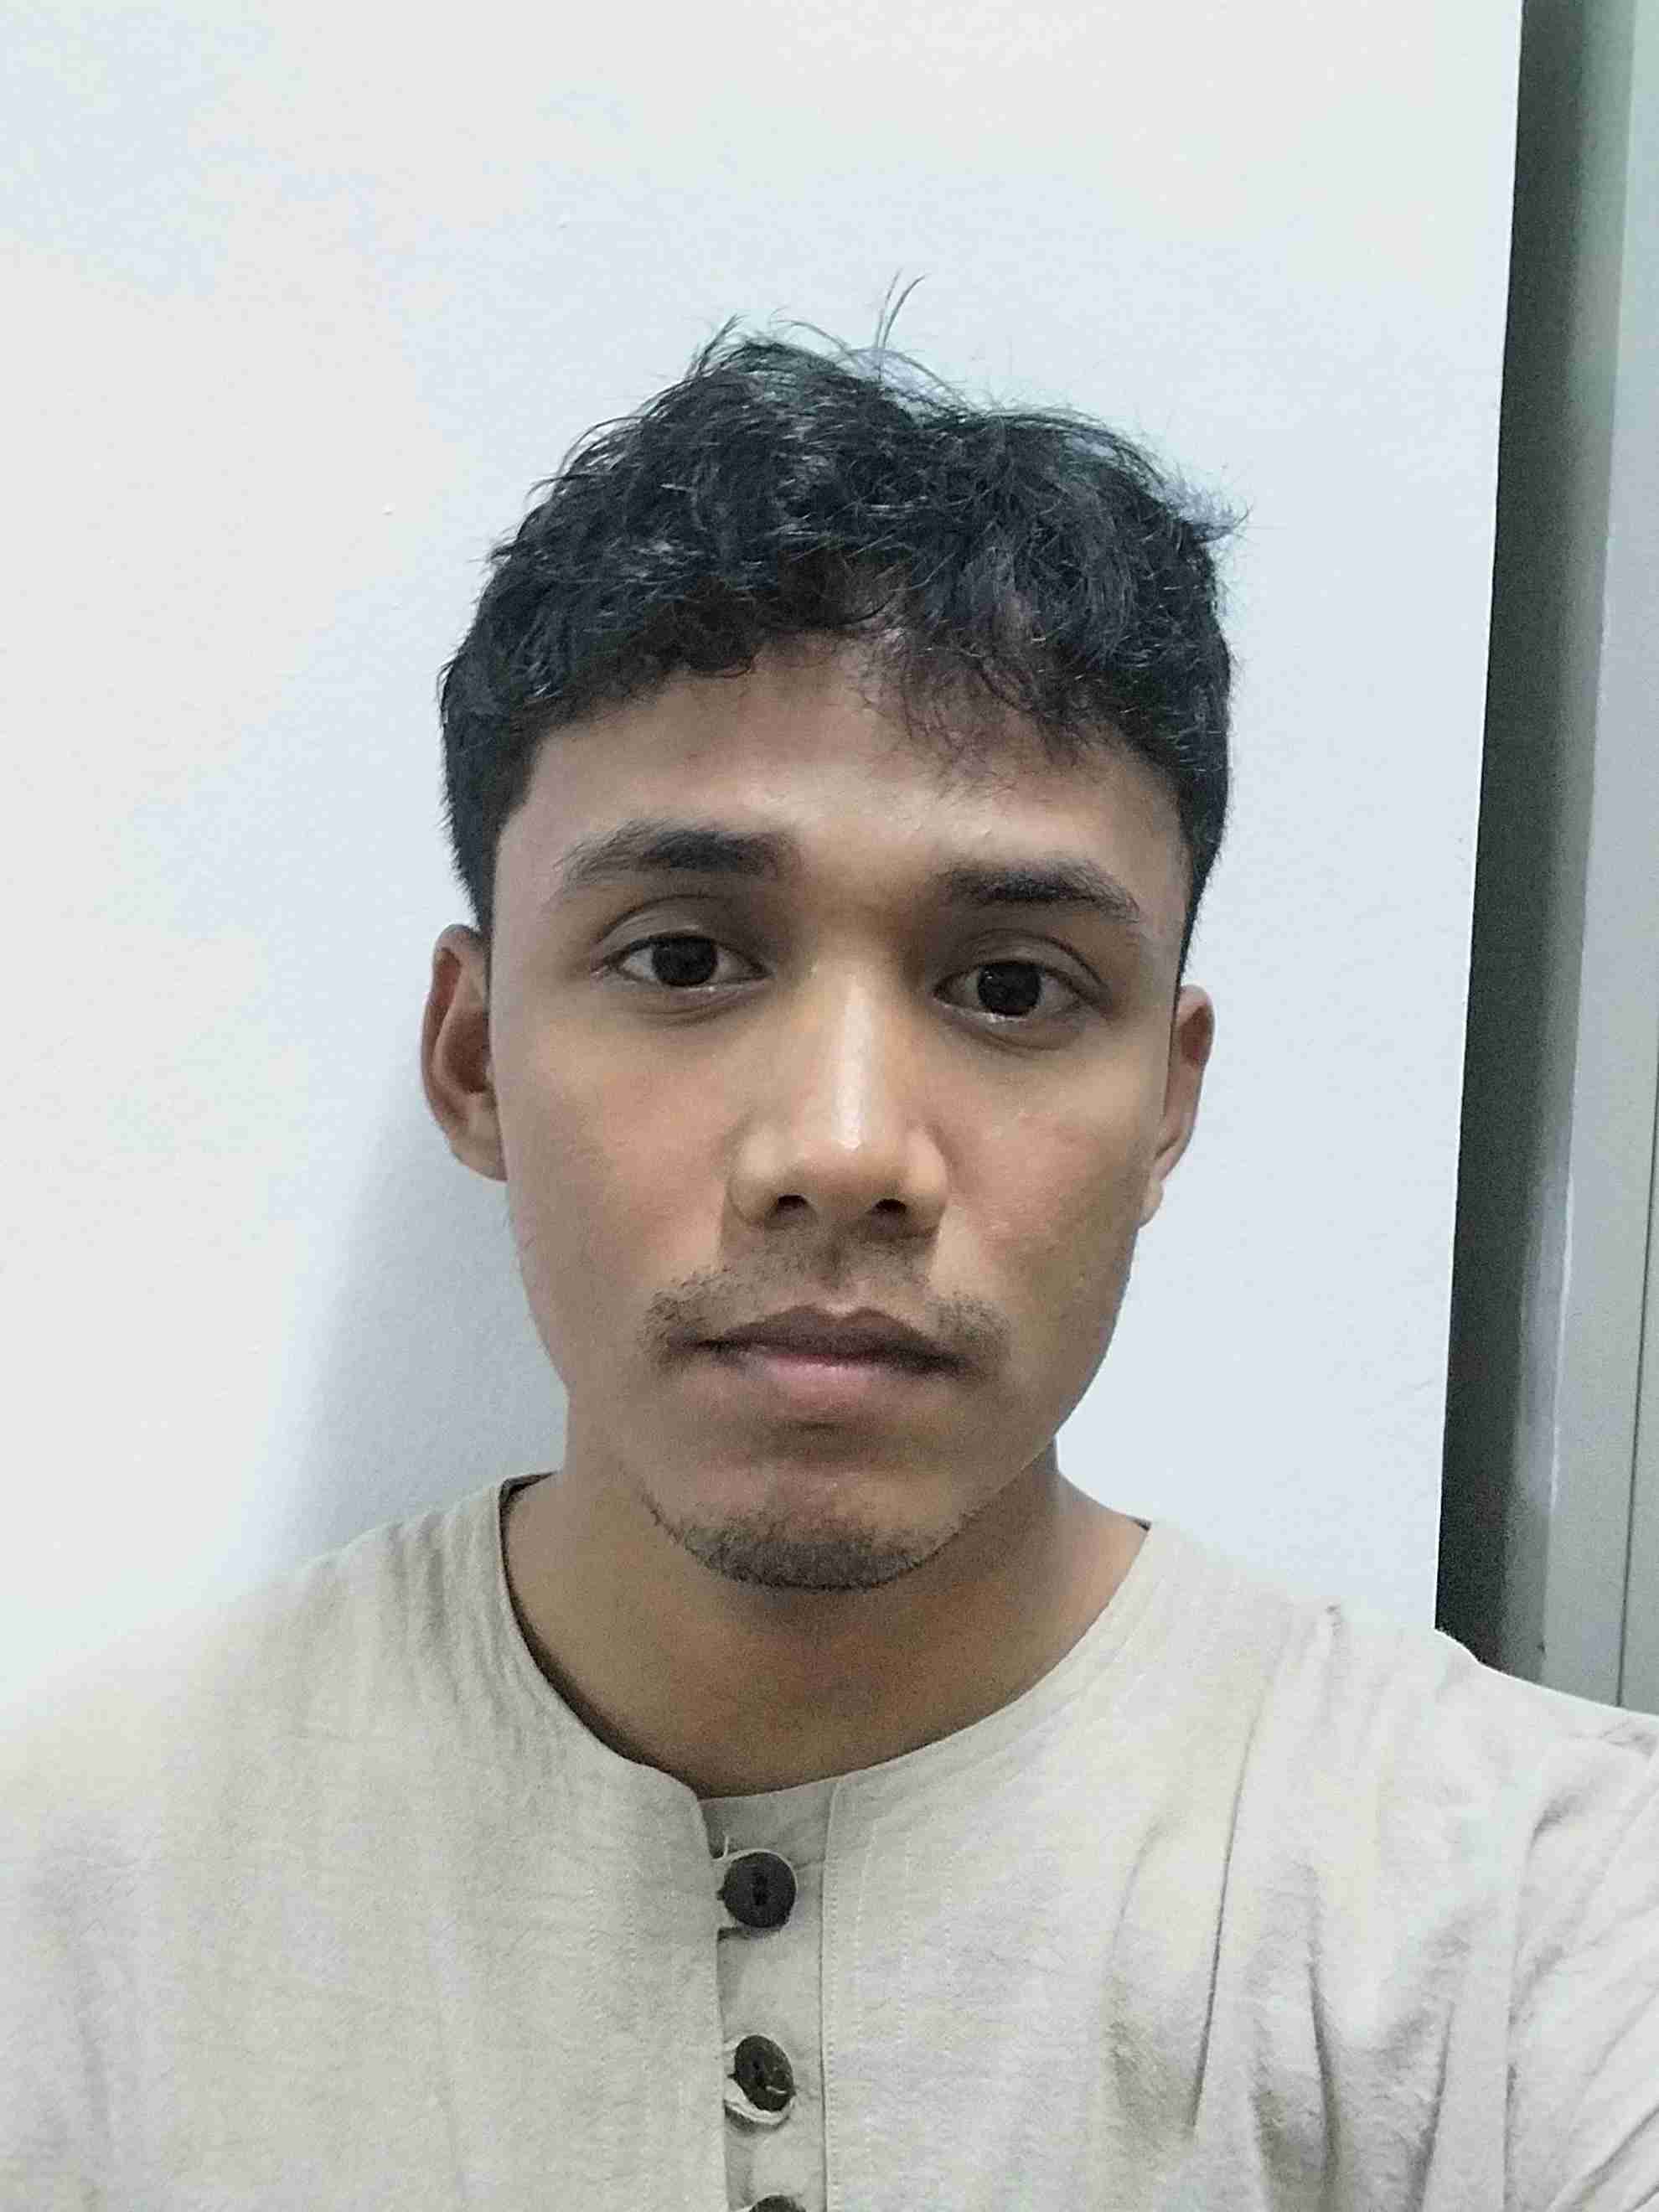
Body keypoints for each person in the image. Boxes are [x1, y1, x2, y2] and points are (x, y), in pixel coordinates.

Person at [3, 318, 1655, 2212]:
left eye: (1013, 986)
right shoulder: (74, 1899)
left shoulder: (1540, 1922)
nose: (847, 1151)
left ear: (1167, 1107)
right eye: (684, 958)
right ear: (473, 1060)